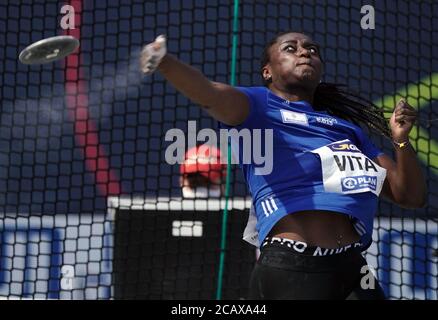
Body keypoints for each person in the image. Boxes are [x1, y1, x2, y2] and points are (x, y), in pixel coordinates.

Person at [140, 32, 427, 299]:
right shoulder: (257, 106)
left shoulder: (348, 130)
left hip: (354, 268)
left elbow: (410, 196)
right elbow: (207, 93)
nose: (305, 53)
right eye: (292, 49)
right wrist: (165, 62)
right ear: (268, 71)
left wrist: (401, 140)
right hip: (294, 266)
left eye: (312, 50)